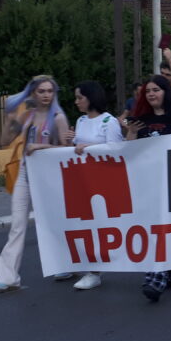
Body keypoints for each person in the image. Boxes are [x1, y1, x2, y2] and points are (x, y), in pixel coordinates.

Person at [0, 75, 71, 293]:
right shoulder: (27, 115)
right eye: (41, 91)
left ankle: (64, 264)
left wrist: (39, 147)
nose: (46, 95)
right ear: (33, 93)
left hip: (49, 177)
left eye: (50, 91)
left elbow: (66, 150)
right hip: (26, 175)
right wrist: (8, 121)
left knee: (53, 223)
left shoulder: (59, 118)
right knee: (17, 225)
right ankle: (7, 277)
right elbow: (4, 141)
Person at [124, 74, 171, 302]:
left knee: (169, 227)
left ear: (166, 92)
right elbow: (131, 152)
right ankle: (168, 271)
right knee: (156, 228)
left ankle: (157, 276)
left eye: (156, 89)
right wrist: (131, 133)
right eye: (148, 91)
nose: (151, 94)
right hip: (149, 183)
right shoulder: (140, 120)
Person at [66, 80, 124, 291]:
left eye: (80, 97)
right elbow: (76, 148)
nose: (76, 101)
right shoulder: (81, 120)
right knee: (85, 226)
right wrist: (71, 142)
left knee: (99, 227)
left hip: (103, 181)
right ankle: (90, 267)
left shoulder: (109, 121)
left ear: (91, 98)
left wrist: (88, 147)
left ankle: (95, 271)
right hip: (83, 179)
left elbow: (116, 150)